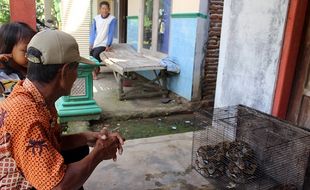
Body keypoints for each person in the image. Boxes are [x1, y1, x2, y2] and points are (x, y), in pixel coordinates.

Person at [0, 30, 124, 190]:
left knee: (79, 149)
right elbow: (58, 187)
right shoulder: (28, 116)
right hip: (17, 184)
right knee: (69, 178)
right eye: (76, 69)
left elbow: (51, 141)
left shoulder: (31, 94)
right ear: (65, 72)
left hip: (27, 169)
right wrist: (100, 153)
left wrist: (88, 137)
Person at [0, 22, 36, 95]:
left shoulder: (32, 71)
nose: (33, 55)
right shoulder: (3, 76)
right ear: (8, 50)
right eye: (26, 50)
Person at [90, 1, 116, 80]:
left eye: (106, 8)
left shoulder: (112, 19)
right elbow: (93, 32)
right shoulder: (96, 18)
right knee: (89, 54)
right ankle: (96, 69)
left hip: (104, 43)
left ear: (109, 9)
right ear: (100, 9)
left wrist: (108, 44)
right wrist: (91, 43)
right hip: (96, 42)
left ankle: (94, 73)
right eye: (103, 8)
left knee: (95, 54)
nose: (104, 10)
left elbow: (111, 32)